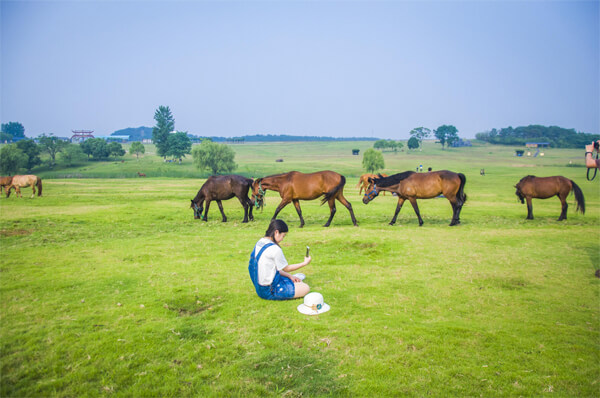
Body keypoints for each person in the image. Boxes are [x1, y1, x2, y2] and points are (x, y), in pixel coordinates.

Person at [248, 219, 311, 300]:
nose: (283, 239)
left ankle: (291, 280)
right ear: (276, 232)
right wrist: (305, 263)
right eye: (283, 236)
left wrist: (290, 276)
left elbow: (273, 268)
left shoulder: (260, 242)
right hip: (270, 290)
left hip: (259, 287)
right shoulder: (275, 249)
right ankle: (292, 283)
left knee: (296, 280)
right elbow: (287, 268)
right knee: (306, 288)